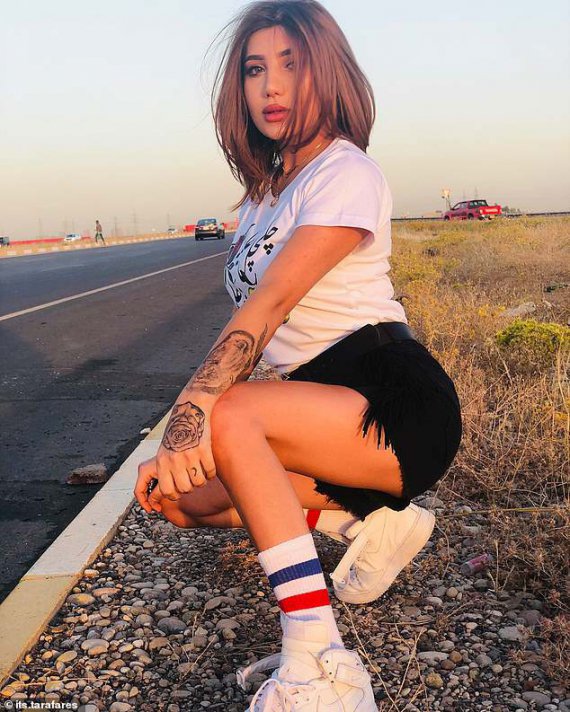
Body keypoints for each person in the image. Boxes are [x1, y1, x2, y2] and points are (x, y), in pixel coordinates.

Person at [134, 2, 462, 710]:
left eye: (292, 64)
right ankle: (369, 521)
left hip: (390, 399)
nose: (271, 86)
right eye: (255, 69)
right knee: (181, 500)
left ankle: (316, 659)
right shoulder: (263, 198)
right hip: (318, 412)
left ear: (328, 73)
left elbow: (272, 302)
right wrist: (188, 440)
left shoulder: (346, 172)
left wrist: (191, 414)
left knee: (228, 413)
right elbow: (258, 335)